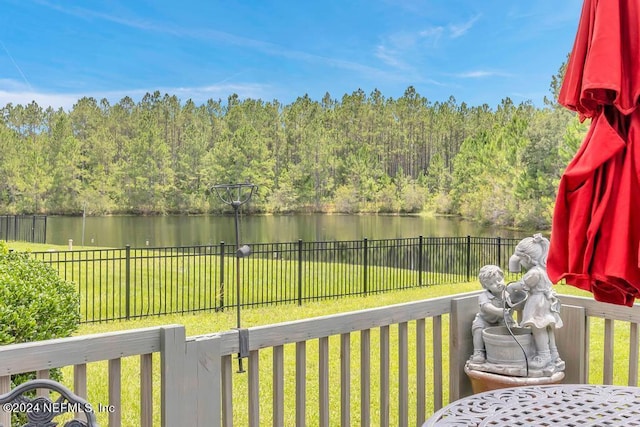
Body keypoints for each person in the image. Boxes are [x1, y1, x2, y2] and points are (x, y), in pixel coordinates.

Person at [507, 234, 563, 369]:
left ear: (527, 258)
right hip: (547, 301)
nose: (519, 263)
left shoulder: (534, 273)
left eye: (520, 260)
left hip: (538, 303)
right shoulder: (544, 269)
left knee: (538, 329)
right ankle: (554, 354)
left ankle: (544, 355)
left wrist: (511, 287)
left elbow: (523, 285)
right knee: (547, 328)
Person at [469, 264, 516, 363]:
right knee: (478, 328)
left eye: (499, 279)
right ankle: (478, 352)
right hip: (485, 320)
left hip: (500, 320)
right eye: (492, 283)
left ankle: (507, 350)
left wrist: (510, 310)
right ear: (486, 286)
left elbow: (512, 306)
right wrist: (499, 311)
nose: (498, 283)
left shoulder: (506, 294)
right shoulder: (484, 296)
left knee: (510, 327)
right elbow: (486, 307)